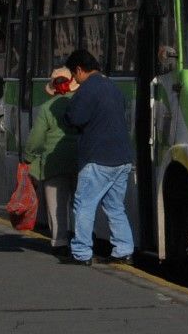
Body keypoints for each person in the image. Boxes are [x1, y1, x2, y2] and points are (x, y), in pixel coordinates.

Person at [61, 49, 134, 266]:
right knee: (114, 206)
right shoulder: (113, 87)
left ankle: (81, 253)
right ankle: (124, 250)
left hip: (97, 158)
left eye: (75, 76)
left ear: (79, 70)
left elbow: (74, 118)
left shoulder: (88, 89)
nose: (75, 80)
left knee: (84, 204)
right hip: (122, 158)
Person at [24, 67, 79, 257]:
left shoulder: (47, 108)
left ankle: (60, 241)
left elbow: (37, 138)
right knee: (80, 203)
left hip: (54, 162)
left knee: (56, 204)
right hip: (80, 159)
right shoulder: (80, 103)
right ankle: (82, 240)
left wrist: (28, 157)